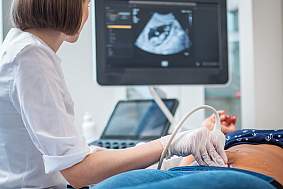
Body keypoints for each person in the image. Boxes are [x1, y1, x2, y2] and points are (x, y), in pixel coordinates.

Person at [0, 0, 227, 188]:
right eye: (86, 3)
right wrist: (171, 143)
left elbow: (74, 160)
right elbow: (79, 172)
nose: (87, 14)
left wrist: (176, 143)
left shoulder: (22, 50)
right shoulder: (30, 58)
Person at [95, 113, 283, 189]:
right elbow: (187, 162)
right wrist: (210, 133)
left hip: (250, 178)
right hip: (182, 172)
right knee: (109, 186)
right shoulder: (232, 136)